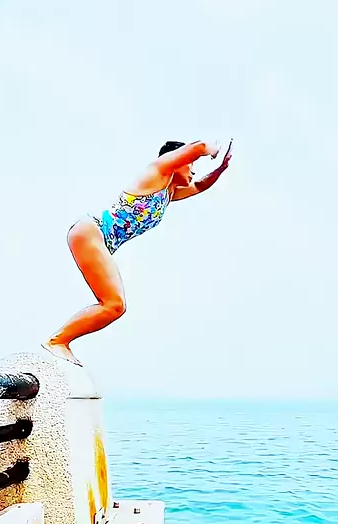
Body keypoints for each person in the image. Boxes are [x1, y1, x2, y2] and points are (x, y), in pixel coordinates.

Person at [43, 138, 233, 365]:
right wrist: (213, 150)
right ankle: (58, 341)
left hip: (97, 239)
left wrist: (220, 169)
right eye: (191, 164)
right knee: (114, 304)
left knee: (114, 306)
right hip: (93, 231)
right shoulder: (157, 172)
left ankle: (60, 341)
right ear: (178, 160)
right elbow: (199, 147)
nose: (193, 172)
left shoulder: (169, 193)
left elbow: (200, 186)